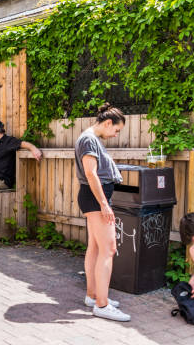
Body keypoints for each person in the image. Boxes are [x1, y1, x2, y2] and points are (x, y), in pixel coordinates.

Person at [74, 103, 130, 322]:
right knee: (109, 249)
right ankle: (102, 305)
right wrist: (104, 204)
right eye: (116, 130)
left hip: (93, 198)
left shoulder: (90, 138)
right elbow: (91, 174)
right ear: (108, 123)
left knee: (96, 248)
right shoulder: (88, 139)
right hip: (96, 198)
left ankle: (93, 296)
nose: (116, 135)